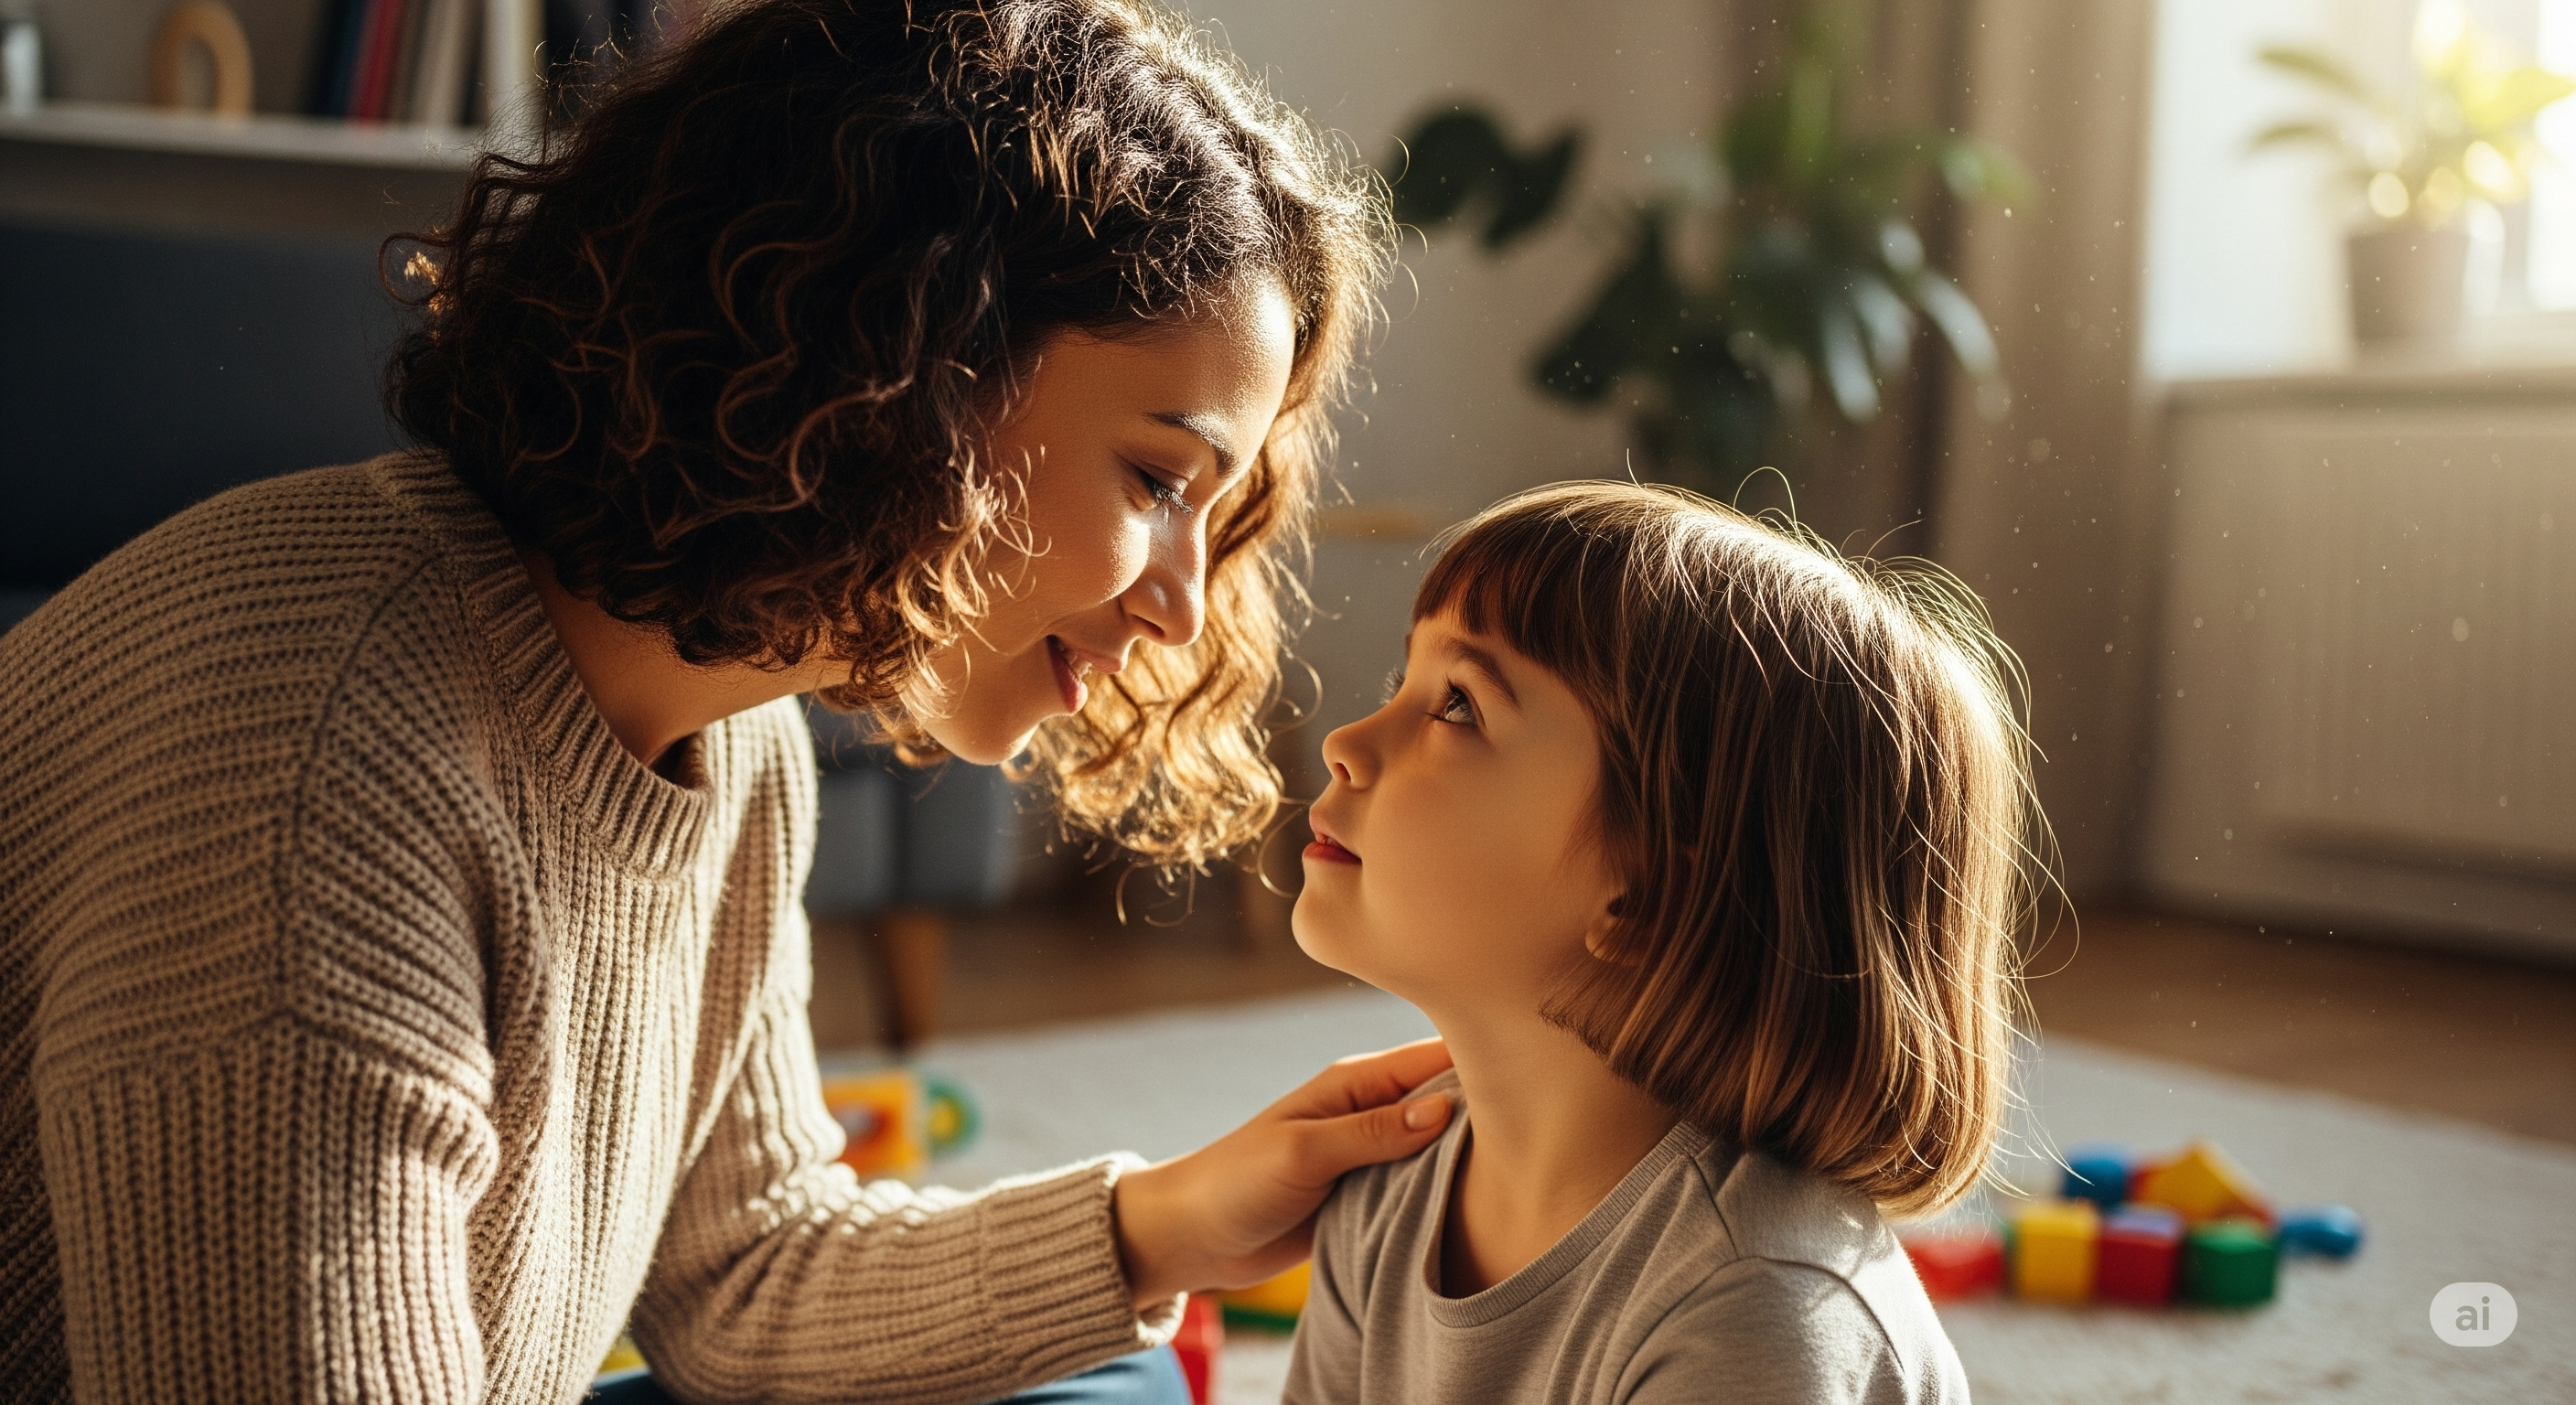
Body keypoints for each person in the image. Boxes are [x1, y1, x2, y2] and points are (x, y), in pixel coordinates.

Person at [0, 1, 1461, 1400]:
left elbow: (739, 1278)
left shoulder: (741, 731)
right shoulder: (320, 760)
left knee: (1112, 1380)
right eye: (1157, 481)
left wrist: (1170, 1222)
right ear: (911, 367)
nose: (1184, 604)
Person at [1283, 482, 2044, 1403]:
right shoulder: (1385, 1185)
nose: (1345, 744)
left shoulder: (1750, 1310)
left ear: (1646, 893)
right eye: (1399, 685)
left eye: (1455, 707)